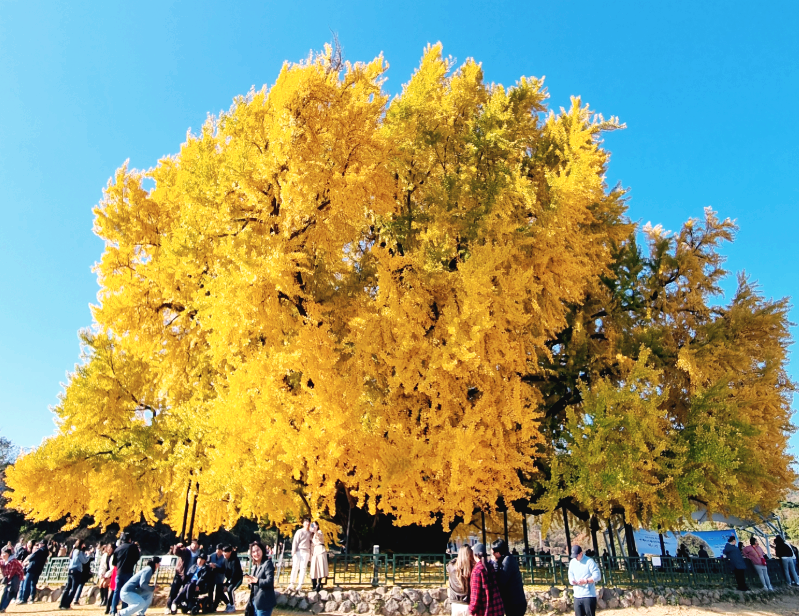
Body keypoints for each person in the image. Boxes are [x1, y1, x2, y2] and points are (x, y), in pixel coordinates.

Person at [489, 540, 525, 616]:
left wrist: (494, 562)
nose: (492, 555)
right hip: (513, 602)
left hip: (515, 604)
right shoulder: (506, 558)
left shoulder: (507, 561)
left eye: (493, 553)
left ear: (498, 553)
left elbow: (500, 580)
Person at [110, 533, 141, 615]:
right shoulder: (132, 547)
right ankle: (124, 608)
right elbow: (137, 557)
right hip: (128, 572)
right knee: (126, 591)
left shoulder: (117, 549)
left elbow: (114, 562)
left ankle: (113, 610)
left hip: (119, 572)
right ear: (129, 539)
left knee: (117, 591)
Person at [468, 543, 503, 616]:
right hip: (497, 608)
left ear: (475, 555)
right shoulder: (490, 567)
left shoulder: (477, 571)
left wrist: (470, 611)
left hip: (485, 610)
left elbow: (475, 597)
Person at [568, 545, 602, 616]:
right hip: (577, 596)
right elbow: (570, 574)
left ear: (581, 553)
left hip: (588, 596)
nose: (575, 558)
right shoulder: (572, 562)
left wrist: (586, 581)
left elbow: (597, 576)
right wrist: (572, 580)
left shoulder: (589, 561)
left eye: (576, 556)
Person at [59, 540, 94, 609]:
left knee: (67, 587)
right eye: (83, 544)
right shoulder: (79, 552)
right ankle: (66, 604)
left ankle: (62, 603)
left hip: (70, 570)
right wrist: (89, 555)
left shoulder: (73, 551)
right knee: (73, 589)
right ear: (81, 545)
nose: (84, 545)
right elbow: (84, 561)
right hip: (76, 571)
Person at [245, 541, 276, 616]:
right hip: (255, 601)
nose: (256, 553)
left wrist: (257, 581)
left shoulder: (267, 563)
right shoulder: (255, 566)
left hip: (264, 601)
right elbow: (254, 583)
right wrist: (250, 581)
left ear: (262, 550)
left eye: (258, 550)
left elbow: (269, 581)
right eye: (253, 552)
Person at [447, 545, 473, 616]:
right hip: (468, 604)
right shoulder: (472, 569)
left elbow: (449, 564)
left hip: (455, 604)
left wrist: (458, 559)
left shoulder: (451, 568)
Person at [165, 544, 190, 615]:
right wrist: (177, 546)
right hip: (180, 574)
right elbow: (176, 552)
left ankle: (185, 608)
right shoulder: (185, 550)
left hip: (189, 575)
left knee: (185, 592)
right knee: (174, 591)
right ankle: (168, 607)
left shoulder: (197, 552)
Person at [288, 518, 312, 591]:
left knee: (303, 568)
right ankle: (292, 583)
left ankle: (300, 584)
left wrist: (310, 554)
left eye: (308, 522)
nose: (307, 523)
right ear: (303, 523)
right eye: (306, 522)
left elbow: (311, 543)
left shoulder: (310, 533)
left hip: (306, 552)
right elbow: (295, 541)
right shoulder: (299, 531)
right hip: (298, 551)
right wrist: (293, 550)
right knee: (295, 567)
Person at [1, 547, 24, 612]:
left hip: (15, 578)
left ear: (8, 554)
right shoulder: (4, 561)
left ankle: (3, 608)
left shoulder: (13, 561)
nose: (2, 555)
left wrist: (6, 580)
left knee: (9, 593)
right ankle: (1, 607)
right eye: (2, 553)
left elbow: (12, 573)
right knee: (5, 592)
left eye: (4, 553)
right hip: (9, 578)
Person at [222, 546, 243, 614]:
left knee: (230, 589)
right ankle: (228, 604)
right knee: (220, 589)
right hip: (229, 579)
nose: (224, 553)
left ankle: (233, 606)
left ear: (230, 552)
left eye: (226, 552)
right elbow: (224, 570)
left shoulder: (235, 560)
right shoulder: (225, 560)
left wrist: (227, 584)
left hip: (237, 579)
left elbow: (234, 573)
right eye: (223, 552)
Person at [309, 522, 328, 592]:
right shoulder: (312, 534)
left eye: (315, 525)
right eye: (312, 525)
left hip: (320, 550)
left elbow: (319, 536)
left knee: (320, 567)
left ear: (317, 526)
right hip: (314, 551)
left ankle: (319, 584)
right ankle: (314, 583)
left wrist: (315, 531)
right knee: (314, 568)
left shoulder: (319, 532)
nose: (313, 526)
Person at [209, 544, 227, 611]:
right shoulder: (212, 556)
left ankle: (215, 606)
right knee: (211, 590)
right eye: (217, 550)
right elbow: (207, 563)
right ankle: (210, 604)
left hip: (220, 576)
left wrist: (216, 567)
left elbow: (224, 569)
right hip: (212, 576)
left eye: (220, 550)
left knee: (218, 592)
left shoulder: (224, 557)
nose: (218, 551)